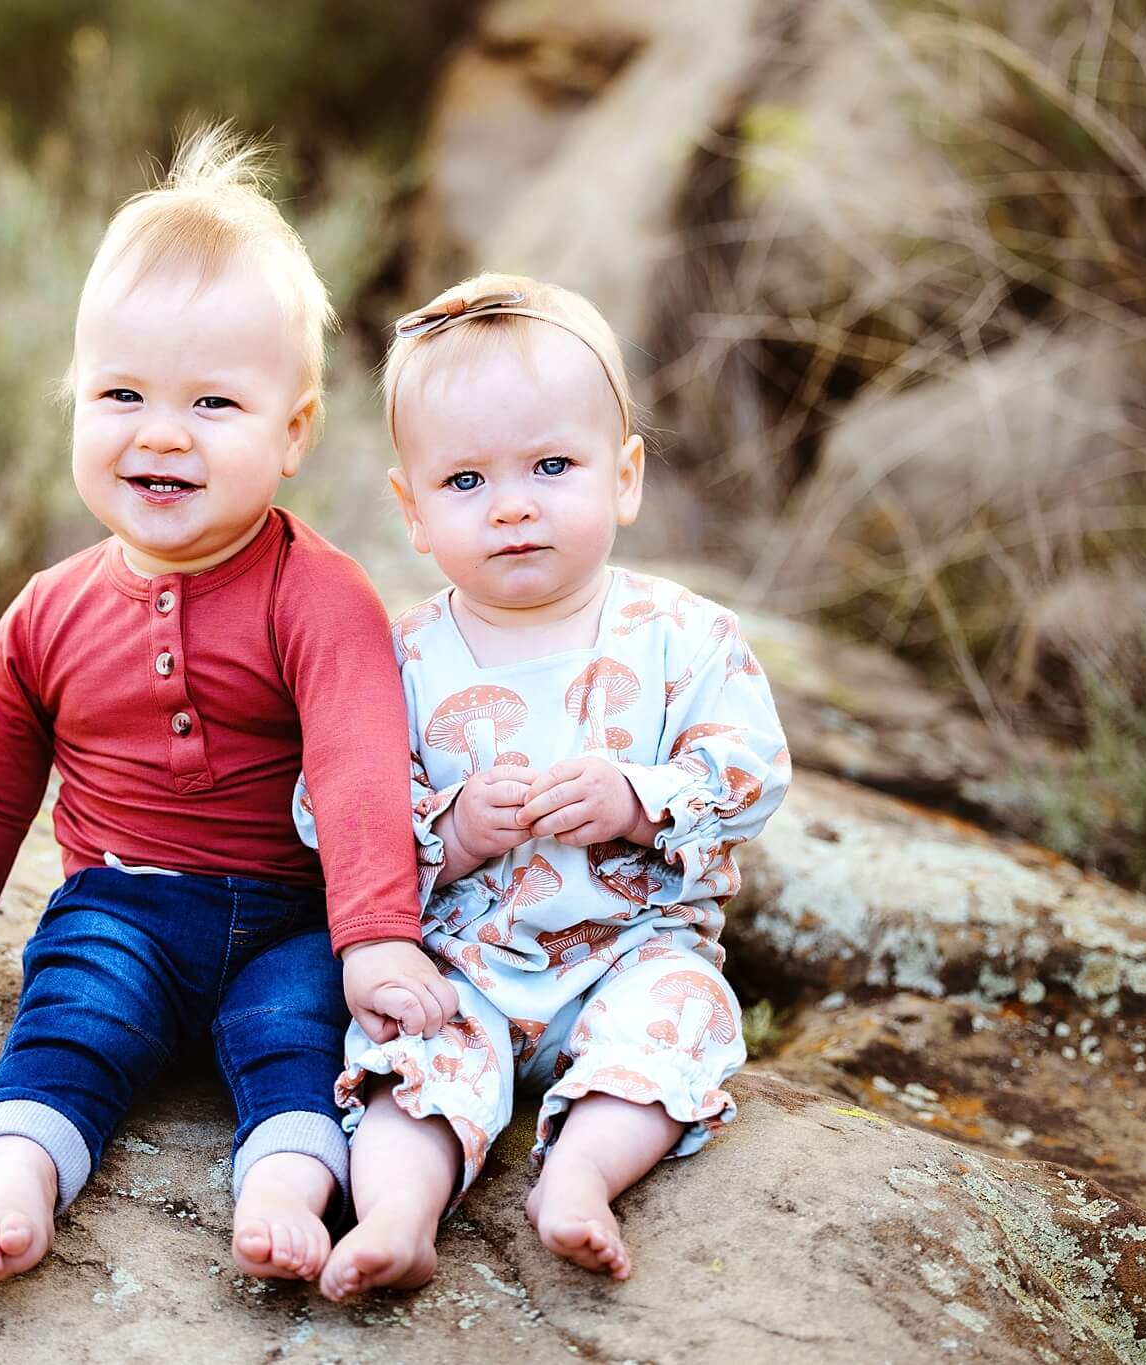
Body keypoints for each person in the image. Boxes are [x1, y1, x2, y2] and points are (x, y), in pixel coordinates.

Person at [0, 127, 456, 1292]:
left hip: (291, 919)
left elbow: (359, 772)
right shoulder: (48, 612)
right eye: (120, 394)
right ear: (72, 403)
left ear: (291, 432)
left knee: (302, 1044)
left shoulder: (321, 598)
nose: (159, 432)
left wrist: (376, 940)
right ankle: (15, 1184)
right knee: (67, 1018)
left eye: (212, 401)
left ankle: (282, 1195)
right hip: (124, 901)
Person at [299, 273, 790, 1301]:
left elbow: (751, 772)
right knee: (406, 1058)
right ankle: (398, 1211)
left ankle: (577, 1177)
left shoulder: (680, 638)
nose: (513, 505)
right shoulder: (394, 656)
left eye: (551, 466)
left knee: (680, 1019)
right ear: (412, 510)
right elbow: (328, 809)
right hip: (461, 964)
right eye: (465, 481)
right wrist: (447, 830)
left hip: (631, 951)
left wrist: (635, 796)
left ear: (623, 478)